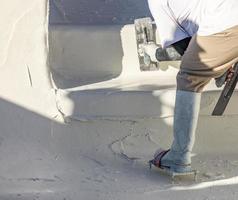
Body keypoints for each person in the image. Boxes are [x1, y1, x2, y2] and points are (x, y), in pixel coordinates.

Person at [143, 0, 238, 173]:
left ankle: (178, 156)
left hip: (226, 22)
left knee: (190, 76)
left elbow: (181, 48)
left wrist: (154, 53)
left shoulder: (157, 2)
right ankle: (227, 63)